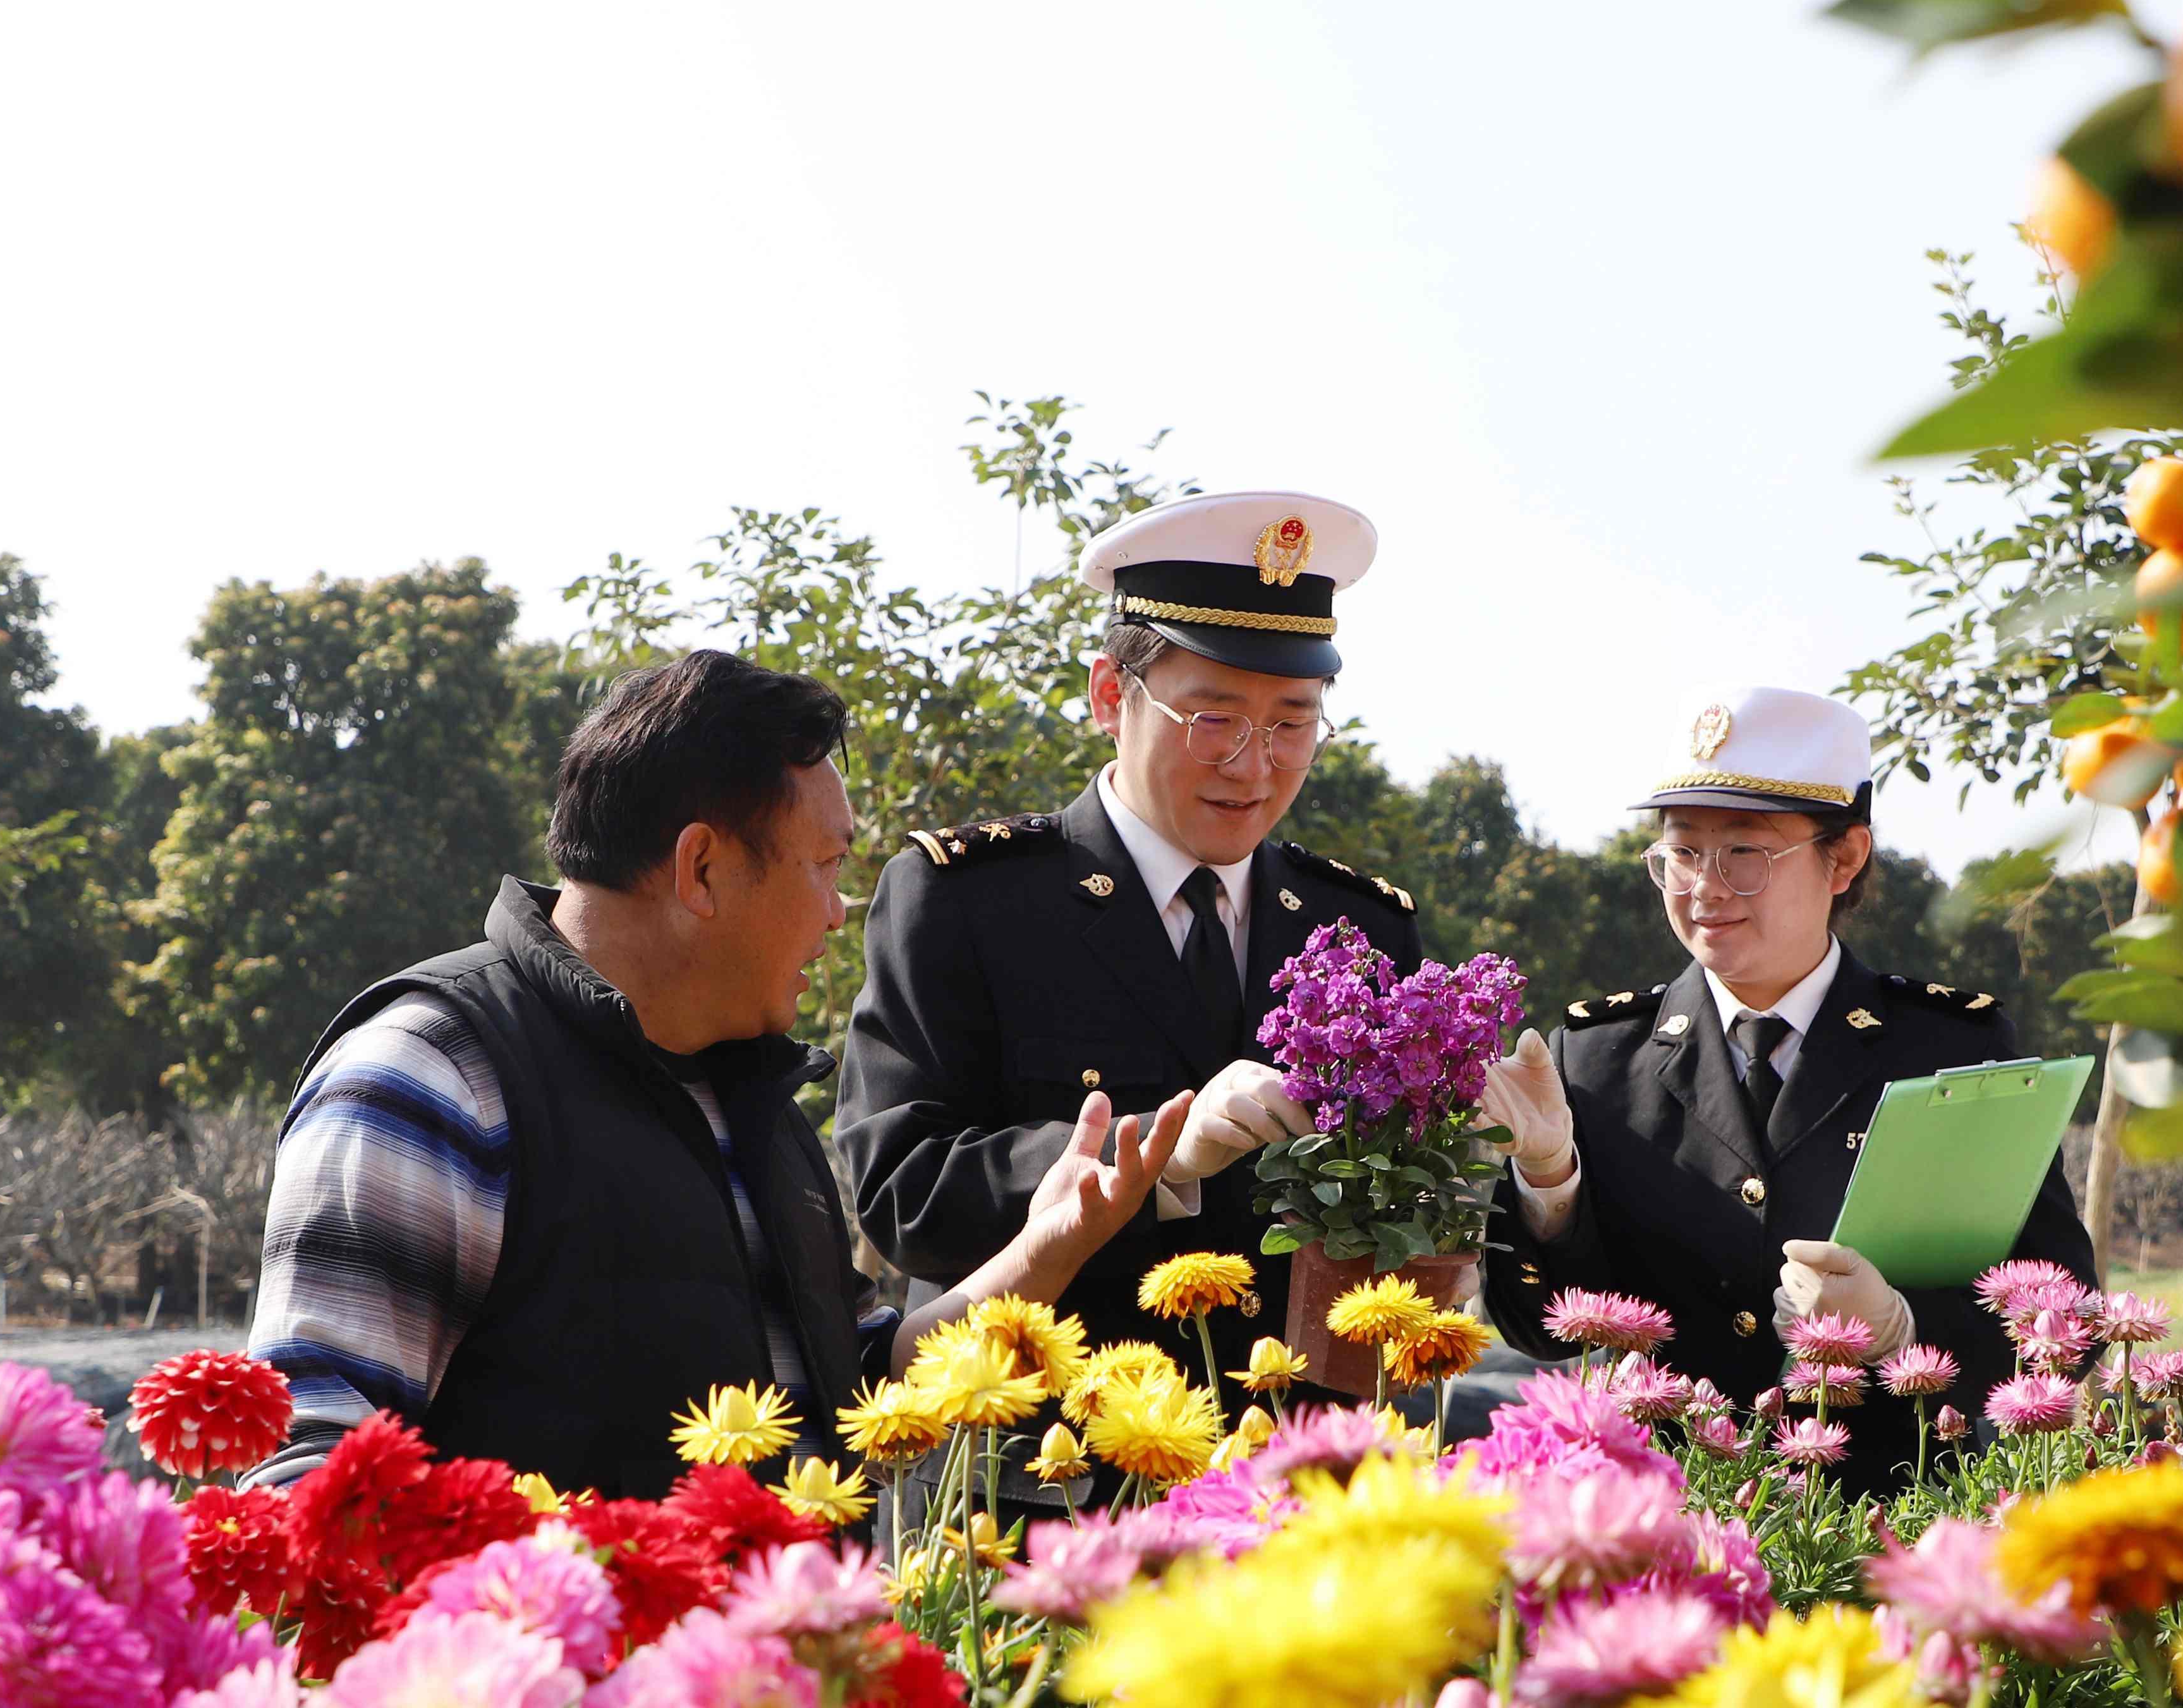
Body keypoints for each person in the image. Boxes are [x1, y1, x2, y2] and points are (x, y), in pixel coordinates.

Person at [245, 649, 1188, 1495]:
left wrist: (1049, 1244)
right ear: (699, 869)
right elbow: (307, 1469)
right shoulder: (433, 1075)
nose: (836, 913)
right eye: (823, 866)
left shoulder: (750, 1094)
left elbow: (862, 1385)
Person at [837, 491, 1425, 1379]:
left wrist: (1529, 1171)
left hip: (1282, 1480)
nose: (1252, 764)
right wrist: (1153, 1155)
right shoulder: (968, 900)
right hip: (1031, 1477)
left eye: (1292, 725)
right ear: (1112, 695)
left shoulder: (1361, 931)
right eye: (1214, 717)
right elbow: (902, 1194)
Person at [1475, 685, 2096, 1479]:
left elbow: (2066, 1318)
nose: (1703, 885)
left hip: (1883, 1527)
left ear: (1843, 858)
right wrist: (1548, 1181)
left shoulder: (1950, 1048)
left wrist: (1905, 1330)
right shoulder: (1594, 1060)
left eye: (1744, 852)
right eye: (1680, 851)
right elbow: (1536, 1328)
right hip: (1662, 1527)